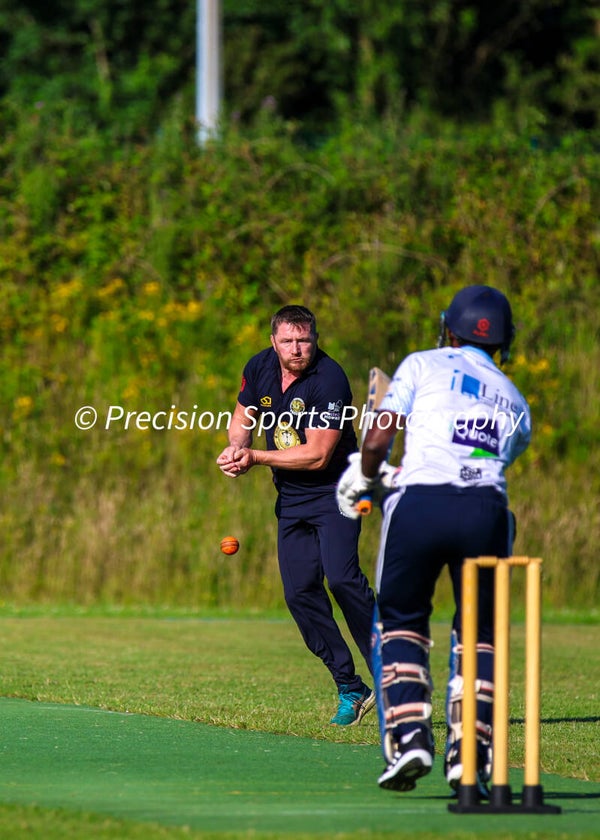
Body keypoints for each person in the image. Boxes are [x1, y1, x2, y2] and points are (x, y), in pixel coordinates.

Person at [336, 285, 531, 794]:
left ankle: (410, 738)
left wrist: (367, 474)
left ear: (449, 328)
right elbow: (481, 466)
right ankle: (470, 755)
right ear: (503, 342)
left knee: (401, 621)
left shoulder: (423, 364)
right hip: (486, 512)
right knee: (479, 634)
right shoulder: (515, 400)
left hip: (419, 505)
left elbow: (379, 435)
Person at [216, 304, 376, 726]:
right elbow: (241, 417)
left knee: (342, 578)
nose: (296, 349)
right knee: (299, 591)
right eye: (287, 341)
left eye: (304, 340)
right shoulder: (260, 367)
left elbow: (319, 455)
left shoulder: (331, 380)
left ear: (315, 339)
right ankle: (350, 686)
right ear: (274, 341)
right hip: (292, 497)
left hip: (338, 489)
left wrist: (255, 457)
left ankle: (392, 675)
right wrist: (237, 446)